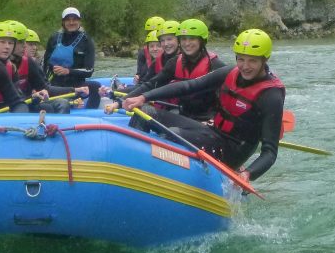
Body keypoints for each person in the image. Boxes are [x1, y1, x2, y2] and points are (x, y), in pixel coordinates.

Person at [120, 28, 285, 182]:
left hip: (231, 151)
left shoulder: (271, 95)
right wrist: (144, 97)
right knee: (145, 112)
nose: (245, 66)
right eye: (241, 59)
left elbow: (270, 151)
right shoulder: (231, 72)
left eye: (252, 61)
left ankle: (156, 177)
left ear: (265, 60)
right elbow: (189, 85)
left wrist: (248, 173)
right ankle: (130, 166)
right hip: (212, 133)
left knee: (173, 134)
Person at [114, 18, 227, 124]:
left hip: (207, 119)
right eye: (183, 39)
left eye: (192, 39)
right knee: (143, 111)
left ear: (201, 41)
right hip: (182, 114)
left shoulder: (216, 65)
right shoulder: (174, 62)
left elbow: (228, 99)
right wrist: (120, 102)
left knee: (174, 130)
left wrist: (216, 121)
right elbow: (151, 84)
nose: (187, 43)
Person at [44, 6, 100, 108]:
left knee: (96, 86)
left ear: (79, 21)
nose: (71, 22)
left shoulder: (87, 41)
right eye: (68, 20)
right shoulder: (54, 38)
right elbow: (45, 64)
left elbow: (89, 70)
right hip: (56, 86)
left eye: (74, 19)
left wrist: (68, 71)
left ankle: (90, 113)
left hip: (77, 85)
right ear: (63, 22)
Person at [135, 15, 166, 82]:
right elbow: (139, 73)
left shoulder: (168, 52)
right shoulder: (142, 53)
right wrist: (137, 76)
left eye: (157, 31)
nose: (153, 34)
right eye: (150, 32)